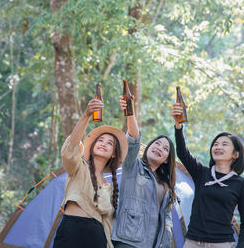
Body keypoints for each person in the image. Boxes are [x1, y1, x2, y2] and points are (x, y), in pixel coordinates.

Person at [171, 104, 244, 248]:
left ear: (235, 154)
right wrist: (178, 125)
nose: (218, 147)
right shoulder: (202, 173)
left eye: (224, 144)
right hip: (192, 242)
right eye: (215, 144)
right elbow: (182, 153)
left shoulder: (241, 184)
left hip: (223, 244)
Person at [53, 99, 128, 248]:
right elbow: (70, 149)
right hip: (71, 230)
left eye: (109, 143)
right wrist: (86, 115)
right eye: (101, 140)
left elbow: (108, 225)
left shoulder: (110, 187)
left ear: (114, 154)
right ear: (93, 145)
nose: (103, 144)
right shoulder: (78, 167)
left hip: (96, 238)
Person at [111, 96, 176, 248]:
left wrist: (167, 236)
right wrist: (130, 112)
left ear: (167, 159)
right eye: (157, 144)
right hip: (128, 240)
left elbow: (166, 215)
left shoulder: (166, 183)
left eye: (165, 149)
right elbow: (133, 138)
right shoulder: (132, 165)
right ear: (148, 147)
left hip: (154, 244)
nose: (159, 148)